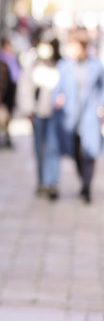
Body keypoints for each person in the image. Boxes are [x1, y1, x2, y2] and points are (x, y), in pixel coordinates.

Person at [55, 28, 104, 204]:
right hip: (71, 115)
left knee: (90, 151)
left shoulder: (96, 65)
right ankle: (82, 179)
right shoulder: (64, 66)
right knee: (76, 151)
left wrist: (101, 106)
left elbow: (102, 87)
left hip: (90, 115)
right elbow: (57, 89)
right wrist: (58, 100)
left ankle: (87, 186)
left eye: (72, 46)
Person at [17, 36, 62, 200]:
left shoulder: (58, 65)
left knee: (53, 147)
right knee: (39, 148)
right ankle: (42, 181)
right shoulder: (32, 66)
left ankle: (52, 182)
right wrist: (29, 110)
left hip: (53, 114)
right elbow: (25, 89)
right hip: (37, 114)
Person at [0, 37, 20, 149]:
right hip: (3, 93)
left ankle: (6, 139)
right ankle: (0, 140)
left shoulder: (12, 60)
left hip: (10, 93)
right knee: (0, 118)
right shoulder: (1, 61)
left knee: (7, 118)